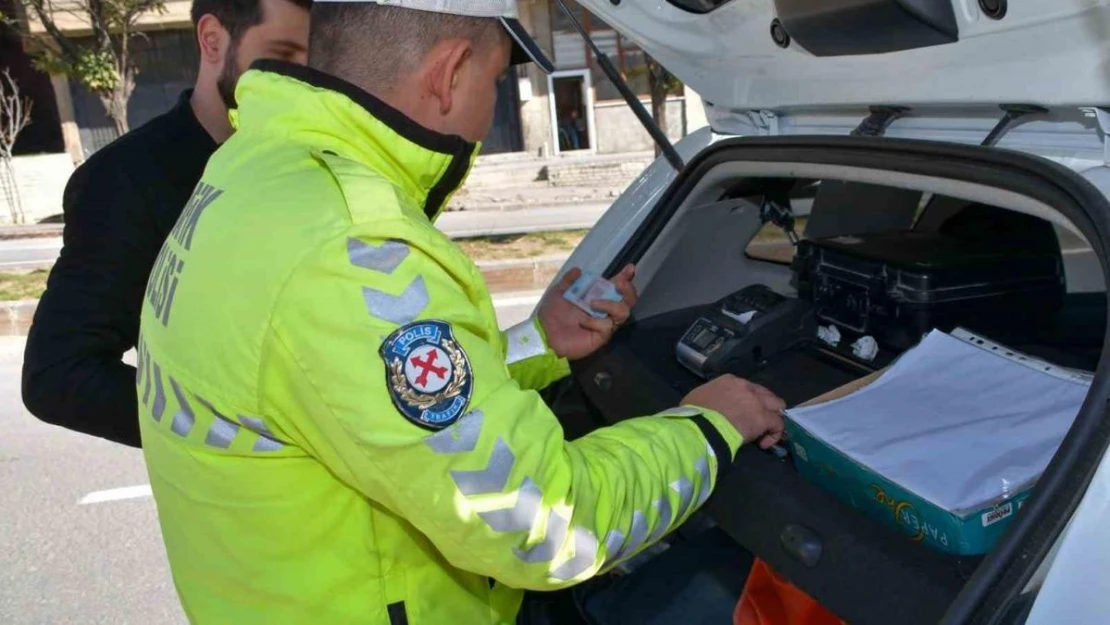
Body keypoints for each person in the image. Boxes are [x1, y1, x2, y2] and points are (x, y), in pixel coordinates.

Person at [135, 1, 787, 623]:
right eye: (495, 81)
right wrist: (711, 424)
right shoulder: (353, 248)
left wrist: (541, 344)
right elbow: (548, 525)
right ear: (449, 75)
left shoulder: (254, 170)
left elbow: (352, 391)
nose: (485, 112)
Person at [20, 0, 312, 447]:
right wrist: (243, 442)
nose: (306, 79)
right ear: (212, 39)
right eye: (284, 55)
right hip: (234, 501)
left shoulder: (316, 164)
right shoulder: (128, 179)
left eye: (317, 60)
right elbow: (60, 373)